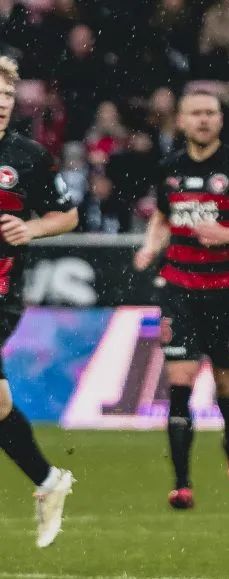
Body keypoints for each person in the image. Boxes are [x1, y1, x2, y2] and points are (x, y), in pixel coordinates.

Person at [133, 90, 229, 509]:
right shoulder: (169, 169)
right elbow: (163, 216)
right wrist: (150, 246)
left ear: (220, 120)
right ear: (180, 121)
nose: (203, 120)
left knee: (226, 384)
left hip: (223, 291)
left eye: (210, 113)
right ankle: (182, 485)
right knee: (178, 383)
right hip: (178, 288)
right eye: (195, 113)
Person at [0, 57, 79, 547]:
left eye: (7, 99)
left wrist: (30, 227)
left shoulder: (28, 157)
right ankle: (49, 482)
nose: (2, 107)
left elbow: (67, 215)